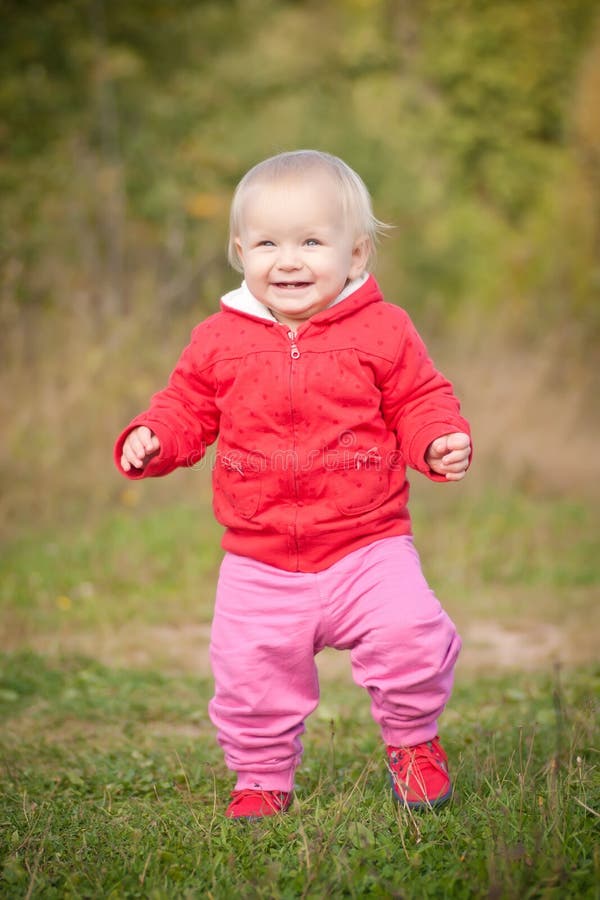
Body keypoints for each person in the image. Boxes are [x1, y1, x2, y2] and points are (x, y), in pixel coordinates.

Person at [114, 150, 472, 820]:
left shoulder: (383, 330)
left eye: (312, 242)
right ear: (239, 251)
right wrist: (154, 438)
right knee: (250, 674)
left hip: (369, 542)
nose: (289, 260)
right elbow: (187, 406)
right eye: (268, 243)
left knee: (411, 636)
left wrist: (435, 440)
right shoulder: (220, 339)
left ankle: (414, 741)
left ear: (356, 255)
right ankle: (261, 777)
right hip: (260, 556)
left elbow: (419, 398)